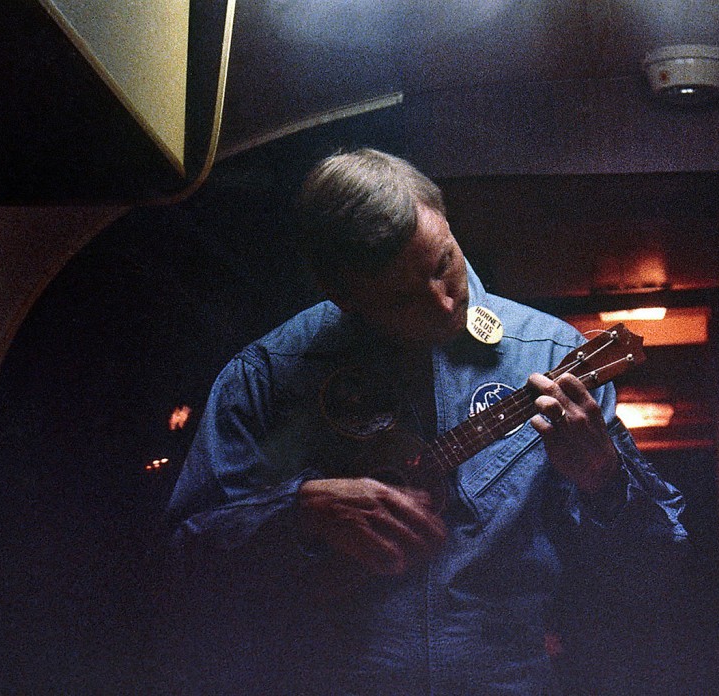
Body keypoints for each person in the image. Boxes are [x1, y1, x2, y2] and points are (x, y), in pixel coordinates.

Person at [160, 148, 688, 695]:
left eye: (443, 265)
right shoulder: (269, 374)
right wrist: (301, 510)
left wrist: (604, 478)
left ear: (447, 222)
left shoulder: (551, 352)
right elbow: (185, 569)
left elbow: (655, 566)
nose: (442, 305)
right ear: (344, 296)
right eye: (402, 297)